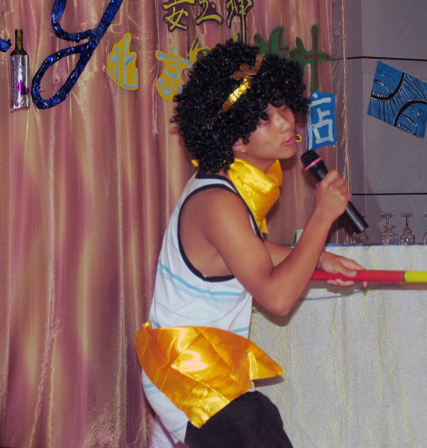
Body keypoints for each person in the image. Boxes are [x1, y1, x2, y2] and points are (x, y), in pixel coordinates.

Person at [135, 40, 362, 448]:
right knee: (256, 425)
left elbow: (246, 251)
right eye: (264, 117)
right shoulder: (219, 202)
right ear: (237, 140)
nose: (285, 122)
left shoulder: (225, 185)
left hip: (198, 362)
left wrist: (318, 258)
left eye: (282, 105)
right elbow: (277, 298)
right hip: (188, 368)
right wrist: (321, 218)